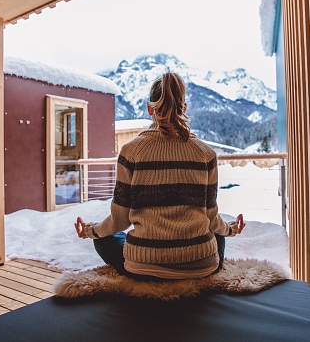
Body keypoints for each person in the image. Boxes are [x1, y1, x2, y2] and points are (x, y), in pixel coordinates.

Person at [75, 72, 245, 281]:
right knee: (217, 234)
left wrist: (91, 231)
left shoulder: (131, 152)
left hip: (144, 266)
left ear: (150, 109)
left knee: (104, 239)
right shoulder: (206, 154)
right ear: (184, 109)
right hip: (201, 266)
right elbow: (211, 218)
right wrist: (230, 229)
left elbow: (119, 220)